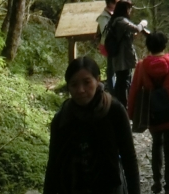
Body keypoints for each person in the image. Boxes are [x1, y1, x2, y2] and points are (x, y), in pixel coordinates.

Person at [43, 55, 140, 194]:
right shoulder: (63, 118)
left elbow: (129, 158)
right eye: (74, 84)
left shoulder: (114, 110)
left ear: (98, 80)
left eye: (87, 82)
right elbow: (53, 164)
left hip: (110, 188)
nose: (81, 90)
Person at [128, 31, 169, 194]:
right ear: (165, 45)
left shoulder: (142, 66)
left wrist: (130, 114)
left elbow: (134, 91)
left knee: (157, 145)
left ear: (148, 47)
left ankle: (156, 182)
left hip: (153, 114)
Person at [105, 0, 147, 108]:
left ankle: (123, 105)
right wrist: (143, 23)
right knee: (123, 82)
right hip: (122, 58)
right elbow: (136, 29)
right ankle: (122, 106)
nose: (130, 10)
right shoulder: (120, 21)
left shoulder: (116, 20)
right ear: (124, 9)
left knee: (124, 81)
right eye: (129, 8)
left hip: (121, 57)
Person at [96, 0, 120, 92]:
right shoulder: (103, 17)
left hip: (118, 44)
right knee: (111, 70)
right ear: (110, 2)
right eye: (116, 2)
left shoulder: (116, 13)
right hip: (111, 45)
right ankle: (112, 91)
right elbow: (105, 32)